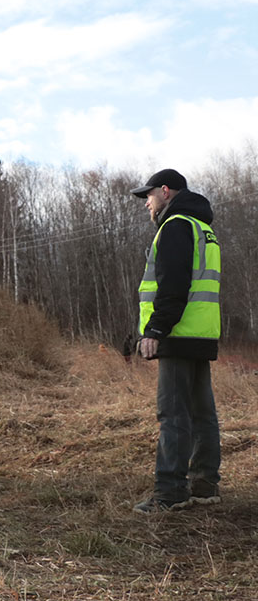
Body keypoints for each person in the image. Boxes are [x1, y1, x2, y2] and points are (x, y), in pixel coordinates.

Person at [129, 168, 222, 514]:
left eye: (149, 196)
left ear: (165, 191)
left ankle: (170, 492)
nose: (147, 205)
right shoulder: (204, 228)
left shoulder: (175, 226)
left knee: (173, 415)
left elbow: (173, 285)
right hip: (201, 334)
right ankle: (204, 484)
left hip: (178, 334)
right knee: (202, 413)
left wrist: (155, 330)